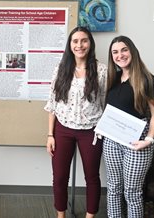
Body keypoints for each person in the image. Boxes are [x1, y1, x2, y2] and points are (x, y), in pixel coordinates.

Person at [44, 26, 107, 218]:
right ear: (70, 45)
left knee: (92, 177)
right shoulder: (61, 69)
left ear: (90, 43)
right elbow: (52, 104)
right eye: (75, 41)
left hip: (92, 131)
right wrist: (50, 135)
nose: (79, 45)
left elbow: (105, 104)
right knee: (60, 176)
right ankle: (60, 214)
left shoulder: (102, 70)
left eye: (84, 40)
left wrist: (102, 129)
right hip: (63, 129)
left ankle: (90, 215)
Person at [104, 36, 154, 218]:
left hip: (137, 141)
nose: (120, 55)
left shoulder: (147, 79)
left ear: (133, 52)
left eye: (124, 50)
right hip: (111, 140)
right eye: (115, 52)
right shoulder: (112, 79)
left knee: (132, 192)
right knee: (113, 188)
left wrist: (149, 140)